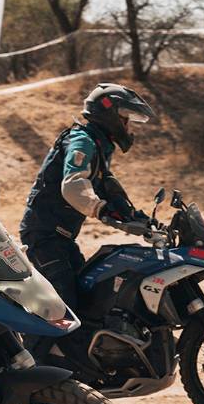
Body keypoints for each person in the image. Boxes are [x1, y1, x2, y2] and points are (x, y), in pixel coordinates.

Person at [18, 83, 157, 321]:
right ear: (110, 114)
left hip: (61, 238)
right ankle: (36, 356)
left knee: (89, 299)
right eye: (125, 119)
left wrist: (138, 219)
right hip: (43, 236)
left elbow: (110, 191)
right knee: (62, 310)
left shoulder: (97, 145)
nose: (128, 126)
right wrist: (99, 209)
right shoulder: (82, 141)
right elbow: (72, 186)